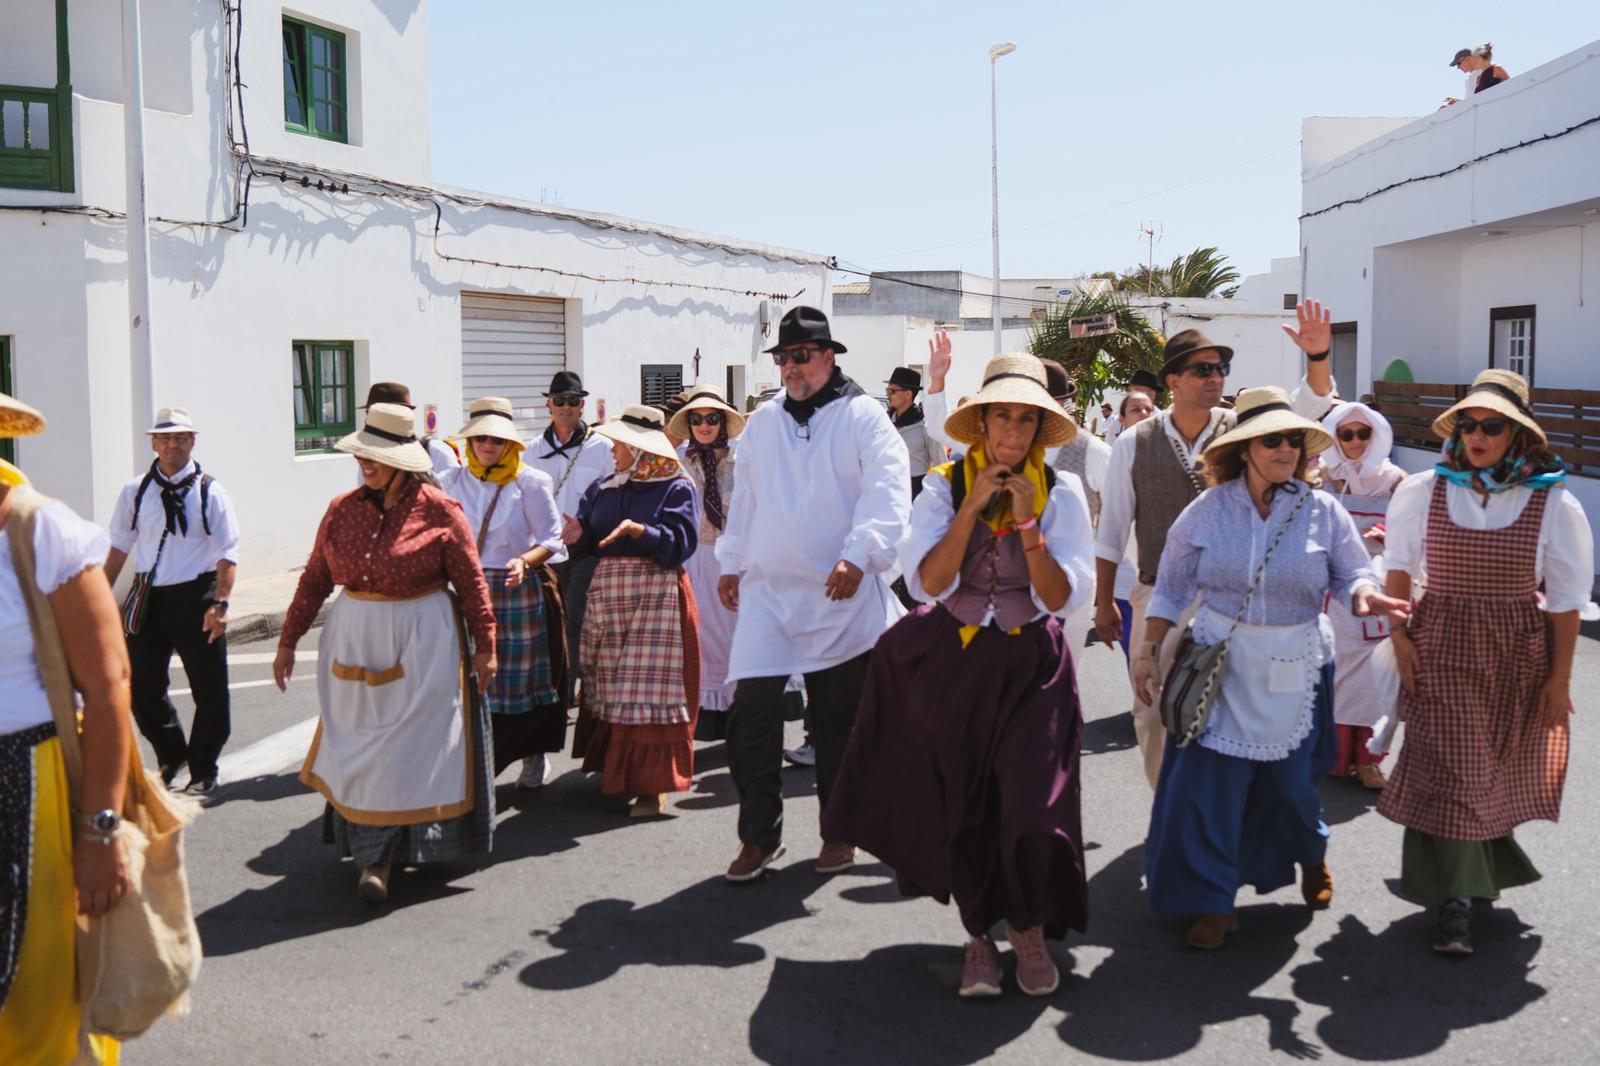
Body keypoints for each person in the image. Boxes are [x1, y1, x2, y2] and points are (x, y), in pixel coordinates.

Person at [823, 353, 1094, 998]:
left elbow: (1061, 598)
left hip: (1032, 664)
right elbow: (929, 582)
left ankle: (1026, 927)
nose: (1013, 431)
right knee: (967, 803)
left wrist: (1028, 525)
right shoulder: (943, 486)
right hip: (958, 659)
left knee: (1032, 805)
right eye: (1002, 415)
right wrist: (973, 507)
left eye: (1027, 419)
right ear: (981, 423)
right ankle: (979, 935)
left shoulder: (1064, 493)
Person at [1134, 387, 1406, 949]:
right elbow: (1170, 589)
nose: (1286, 448)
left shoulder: (1322, 510)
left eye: (1294, 440)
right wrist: (1146, 651)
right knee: (1212, 791)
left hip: (1299, 662)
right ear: (1244, 449)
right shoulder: (1206, 512)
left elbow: (1353, 572)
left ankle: (1312, 853)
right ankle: (1214, 901)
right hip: (1220, 666)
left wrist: (1363, 594)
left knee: (1292, 791)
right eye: (1273, 439)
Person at [1378, 370, 1593, 956]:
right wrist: (1398, 636)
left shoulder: (1553, 501)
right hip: (1440, 642)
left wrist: (1559, 678)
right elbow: (1398, 567)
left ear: (1516, 434)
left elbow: (1569, 602)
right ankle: (1455, 904)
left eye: (1490, 426)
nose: (1476, 435)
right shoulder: (1424, 490)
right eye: (1468, 424)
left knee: (1487, 771)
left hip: (1514, 653)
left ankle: (1478, 872)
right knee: (1457, 767)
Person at [1095, 302, 1341, 789]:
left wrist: (1319, 357)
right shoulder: (1134, 442)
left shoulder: (1244, 431)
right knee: (1153, 710)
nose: (1216, 378)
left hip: (1236, 599)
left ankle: (1221, 828)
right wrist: (1105, 602)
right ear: (1172, 380)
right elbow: (1113, 528)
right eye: (1202, 369)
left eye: (1221, 369)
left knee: (1231, 715)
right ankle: (1170, 815)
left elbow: (1310, 406)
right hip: (1159, 597)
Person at [273, 402, 497, 903]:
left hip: (425, 641)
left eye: (375, 456)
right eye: (363, 455)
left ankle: (382, 859)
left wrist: (487, 647)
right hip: (353, 637)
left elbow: (472, 583)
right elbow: (313, 581)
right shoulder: (342, 509)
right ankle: (373, 850)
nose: (365, 463)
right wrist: (288, 641)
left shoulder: (441, 511)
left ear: (402, 460)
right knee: (360, 748)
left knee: (407, 751)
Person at [717, 305, 911, 881]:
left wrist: (859, 554)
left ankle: (839, 830)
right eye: (783, 358)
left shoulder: (865, 417)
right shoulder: (765, 421)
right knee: (750, 715)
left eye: (802, 356)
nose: (791, 367)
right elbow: (746, 498)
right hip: (769, 594)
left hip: (840, 595)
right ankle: (759, 835)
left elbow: (887, 490)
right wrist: (732, 559)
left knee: (837, 726)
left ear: (829, 356)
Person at [0, 393, 129, 1064]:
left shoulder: (38, 530)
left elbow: (108, 690)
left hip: (28, 794)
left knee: (41, 1003)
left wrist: (100, 831)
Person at [562, 406, 700, 817]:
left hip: (655, 596)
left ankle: (651, 786)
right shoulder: (605, 488)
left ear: (644, 451)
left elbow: (681, 544)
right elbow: (589, 535)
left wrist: (643, 532)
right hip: (610, 594)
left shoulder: (676, 488)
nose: (615, 452)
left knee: (648, 691)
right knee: (609, 682)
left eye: (622, 445)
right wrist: (578, 534)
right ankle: (618, 768)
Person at [105, 406, 240, 796]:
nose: (172, 445)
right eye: (164, 438)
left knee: (209, 690)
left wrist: (222, 603)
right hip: (147, 596)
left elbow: (228, 552)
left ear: (192, 441)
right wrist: (98, 601)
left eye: (180, 437)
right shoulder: (136, 491)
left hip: (197, 595)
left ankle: (203, 768)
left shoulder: (210, 491)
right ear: (153, 443)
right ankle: (172, 753)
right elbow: (117, 548)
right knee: (141, 688)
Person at [441, 397, 568, 791]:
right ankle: (474, 762)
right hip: (467, 589)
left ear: (510, 444)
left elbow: (553, 538)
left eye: (496, 440)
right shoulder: (452, 482)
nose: (487, 446)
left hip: (515, 589)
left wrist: (525, 561)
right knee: (471, 679)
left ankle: (533, 755)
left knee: (520, 681)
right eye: (480, 438)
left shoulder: (530, 482)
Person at [1310, 402, 1408, 789]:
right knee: (1333, 673)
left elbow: (1411, 522)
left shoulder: (1397, 480)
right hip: (1333, 589)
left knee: (1377, 675)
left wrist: (1387, 533)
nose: (1354, 441)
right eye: (1346, 434)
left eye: (1362, 434)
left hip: (1379, 586)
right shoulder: (1323, 476)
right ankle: (1335, 756)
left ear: (1377, 436)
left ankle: (1370, 760)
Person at [526, 371, 615, 708]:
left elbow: (611, 497)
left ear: (582, 406)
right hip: (544, 553)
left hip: (585, 552)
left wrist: (586, 525)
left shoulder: (601, 447)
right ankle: (562, 686)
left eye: (572, 401)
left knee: (575, 620)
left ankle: (562, 698)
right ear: (548, 404)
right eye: (559, 401)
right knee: (551, 622)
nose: (565, 407)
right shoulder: (533, 450)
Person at [668, 386, 747, 741]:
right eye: (696, 419)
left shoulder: (742, 462)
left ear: (723, 423)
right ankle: (704, 715)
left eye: (712, 419)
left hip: (732, 559)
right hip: (693, 557)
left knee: (734, 634)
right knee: (698, 637)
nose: (704, 425)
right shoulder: (680, 462)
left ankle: (740, 712)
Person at [353, 382, 460, 478]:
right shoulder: (369, 458)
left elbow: (455, 493)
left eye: (379, 414)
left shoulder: (435, 450)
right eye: (369, 413)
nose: (369, 419)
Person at [885, 367, 945, 497]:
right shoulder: (885, 422)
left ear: (908, 395)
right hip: (889, 489)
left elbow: (941, 465)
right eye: (887, 390)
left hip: (917, 492)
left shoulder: (926, 425)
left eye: (892, 391)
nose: (888, 395)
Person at [1104, 369, 1160, 449]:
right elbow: (1109, 450)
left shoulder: (1162, 422)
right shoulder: (1118, 422)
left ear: (1151, 394)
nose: (1131, 394)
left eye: (1136, 390)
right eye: (1130, 390)